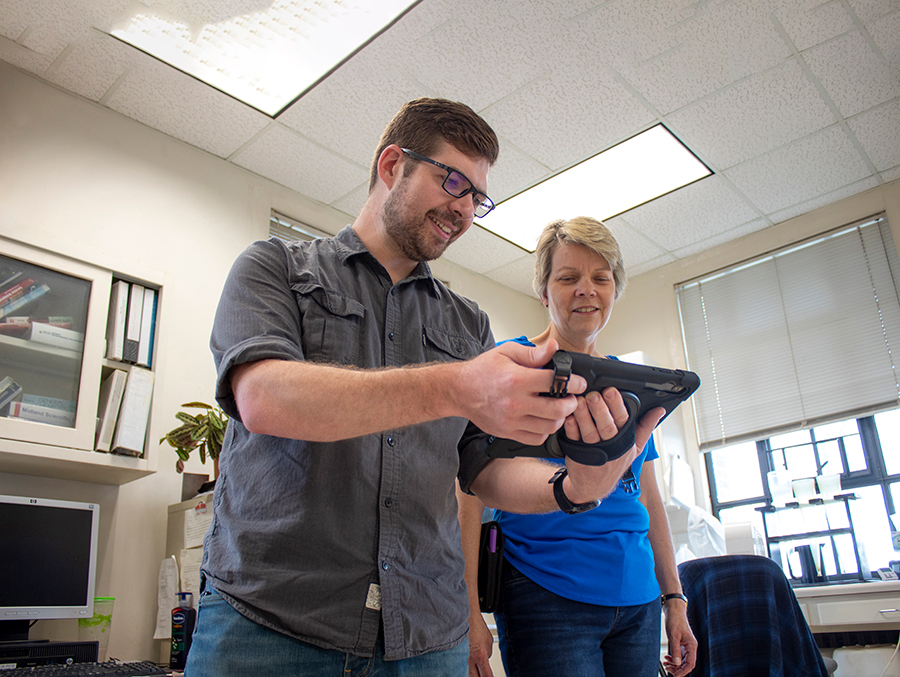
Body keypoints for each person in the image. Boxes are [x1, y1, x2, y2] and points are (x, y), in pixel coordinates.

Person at [185, 100, 663, 677]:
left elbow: (481, 470)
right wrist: (456, 386)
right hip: (272, 626)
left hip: (424, 639)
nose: (462, 209)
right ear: (392, 165)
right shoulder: (275, 268)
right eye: (452, 181)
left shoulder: (467, 326)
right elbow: (264, 397)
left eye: (476, 198)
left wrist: (576, 486)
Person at [459, 216, 698, 677]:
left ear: (614, 291)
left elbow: (649, 498)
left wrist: (674, 598)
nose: (586, 289)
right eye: (568, 278)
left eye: (601, 278)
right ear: (545, 292)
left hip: (639, 598)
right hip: (547, 596)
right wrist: (469, 611)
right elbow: (468, 492)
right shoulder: (511, 367)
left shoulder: (631, 384)